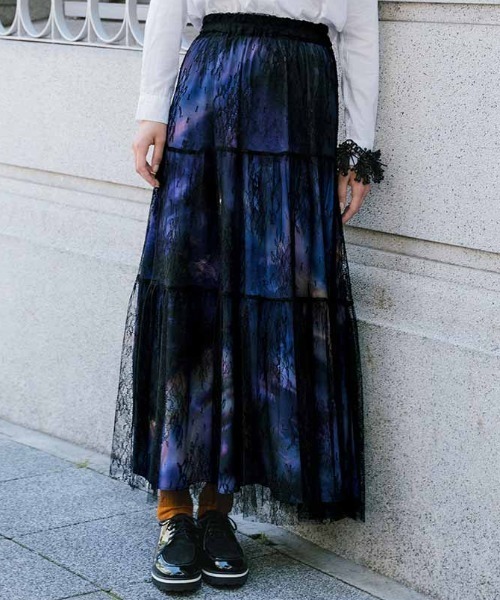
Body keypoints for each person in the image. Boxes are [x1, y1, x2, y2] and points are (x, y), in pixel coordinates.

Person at [109, 0, 385, 594]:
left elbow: (361, 29)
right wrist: (151, 108)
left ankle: (218, 509)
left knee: (271, 297)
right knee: (193, 292)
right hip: (213, 83)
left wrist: (358, 147)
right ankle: (173, 510)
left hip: (300, 101)